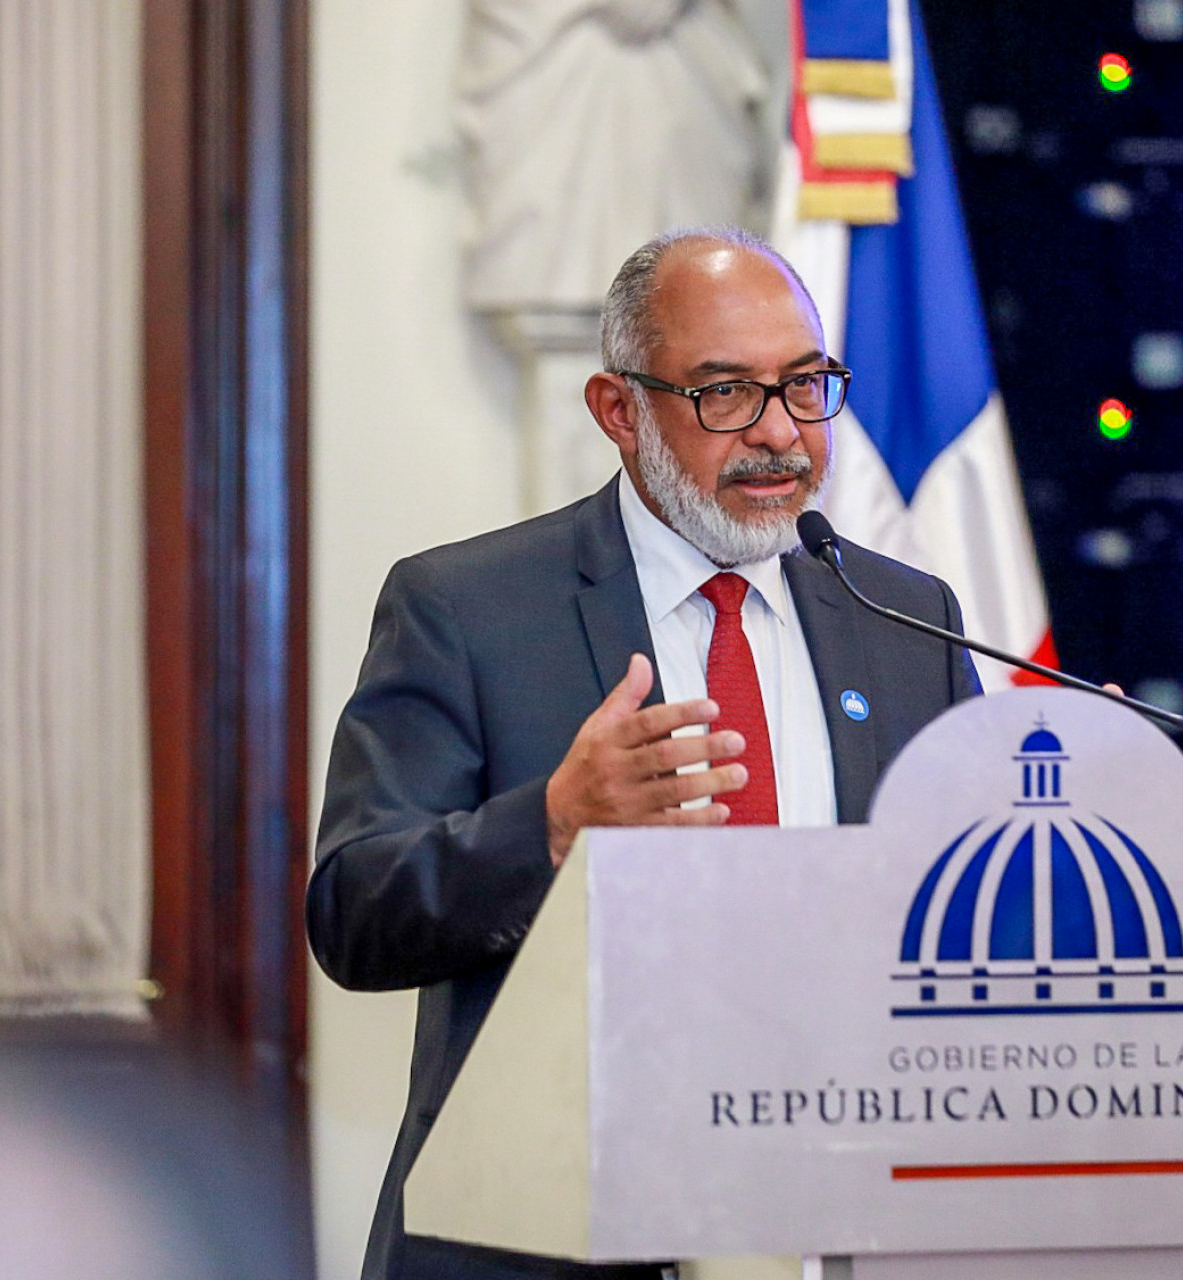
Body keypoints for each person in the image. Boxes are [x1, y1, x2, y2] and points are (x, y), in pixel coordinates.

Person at [308, 227, 982, 1280]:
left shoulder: (903, 616)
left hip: (844, 1221)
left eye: (805, 385)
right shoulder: (468, 609)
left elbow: (961, 911)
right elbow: (355, 912)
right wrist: (552, 825)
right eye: (726, 393)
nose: (781, 433)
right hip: (545, 1236)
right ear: (619, 410)